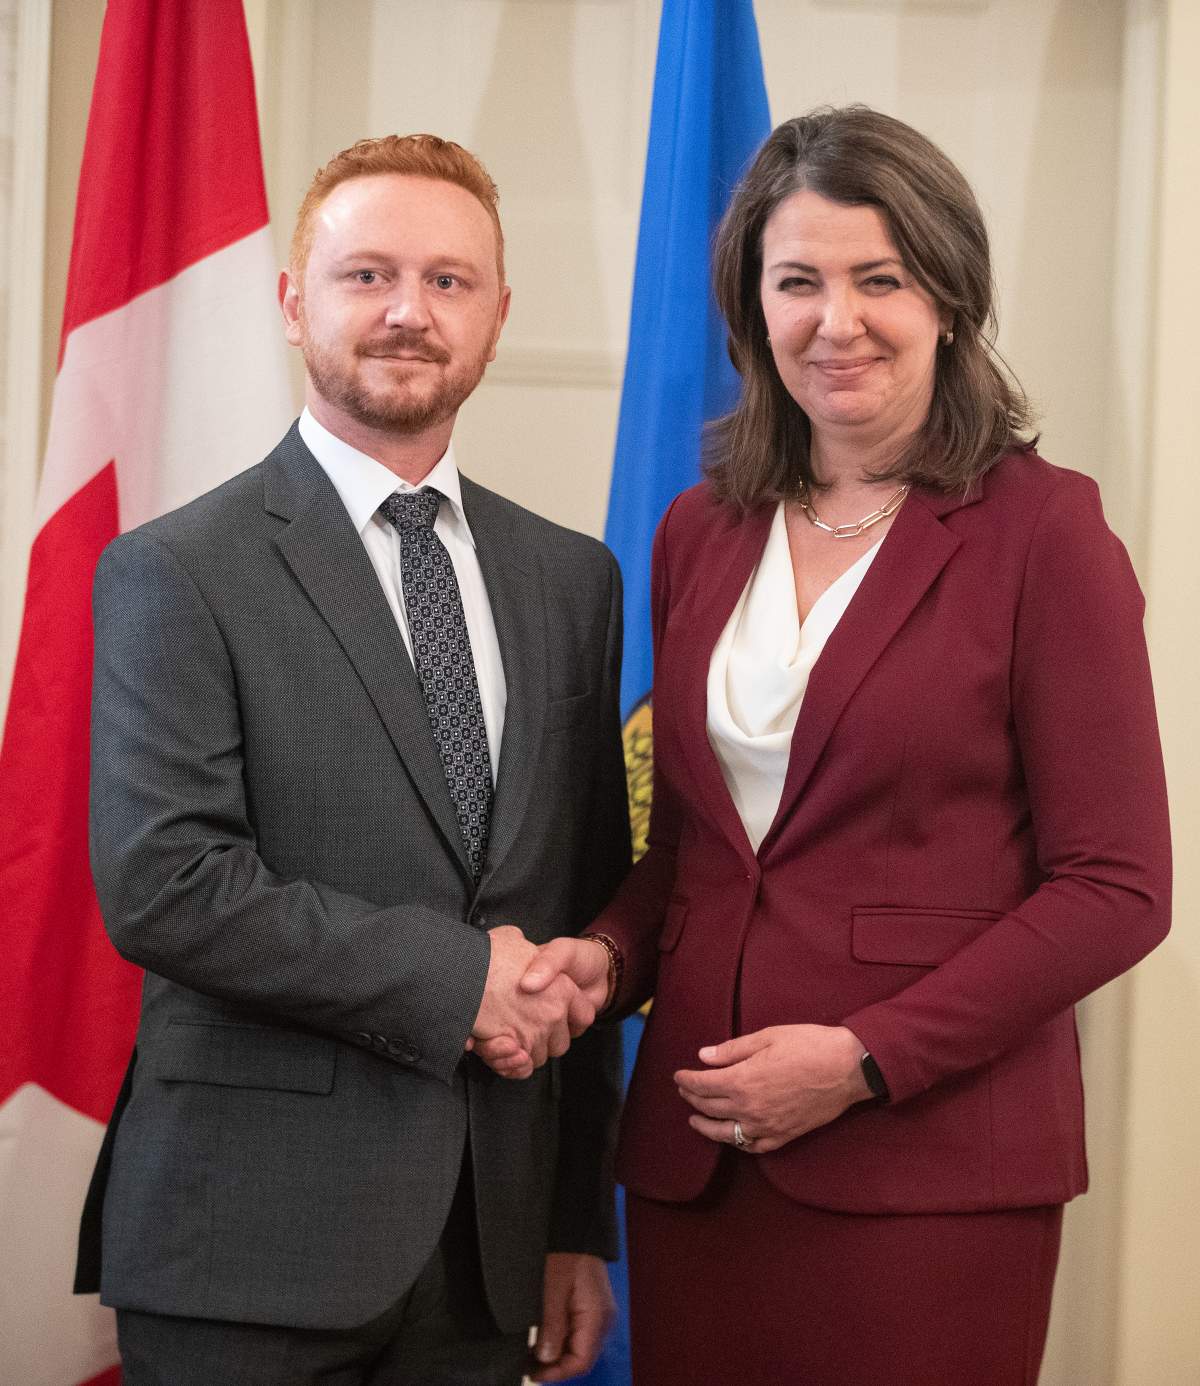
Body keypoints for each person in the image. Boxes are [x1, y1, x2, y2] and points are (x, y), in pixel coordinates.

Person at [475, 107, 1171, 1384]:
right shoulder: (702, 529)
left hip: (931, 1171)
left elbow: (1117, 890)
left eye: (879, 279)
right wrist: (606, 952)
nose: (834, 319)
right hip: (703, 1165)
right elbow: (692, 847)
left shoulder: (1043, 533)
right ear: (753, 306)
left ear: (950, 300)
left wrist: (863, 1061)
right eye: (797, 281)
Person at [74, 134, 629, 1386]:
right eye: (366, 274)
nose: (405, 313)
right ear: (293, 299)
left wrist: (569, 1225)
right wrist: (457, 984)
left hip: (489, 1256)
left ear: (496, 315)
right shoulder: (179, 570)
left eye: (447, 281)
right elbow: (168, 883)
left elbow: (581, 899)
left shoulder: (571, 580)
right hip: (246, 1253)